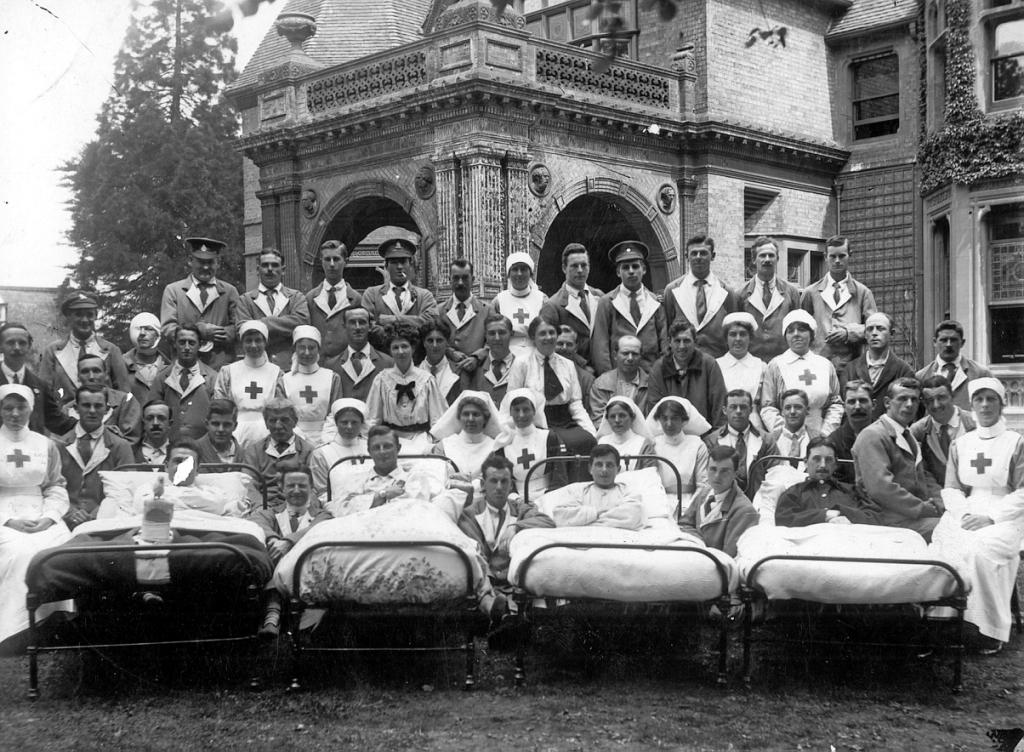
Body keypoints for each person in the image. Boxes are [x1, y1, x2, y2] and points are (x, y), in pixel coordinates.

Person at [325, 425, 508, 622]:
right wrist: (382, 496)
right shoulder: (354, 481)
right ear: (368, 452)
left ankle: (488, 602)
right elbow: (342, 510)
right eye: (376, 448)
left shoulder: (416, 477)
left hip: (409, 531)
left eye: (387, 446)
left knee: (464, 547)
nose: (382, 452)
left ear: (398, 449)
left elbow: (420, 507)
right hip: (365, 532)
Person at [931, 378, 1024, 653]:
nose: (985, 405)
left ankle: (987, 628)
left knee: (980, 551)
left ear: (1001, 403)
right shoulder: (962, 444)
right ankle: (944, 621)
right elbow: (951, 488)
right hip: (967, 510)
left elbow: (1022, 491)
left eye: (991, 399)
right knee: (943, 545)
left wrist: (992, 517)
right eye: (979, 399)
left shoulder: (1016, 442)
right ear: (971, 405)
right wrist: (964, 514)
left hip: (1006, 514)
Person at [0, 384, 72, 649]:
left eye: (21, 408)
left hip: (40, 511)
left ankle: (57, 620)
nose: (15, 414)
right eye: (8, 408)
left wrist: (50, 517)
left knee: (58, 547)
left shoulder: (46, 445)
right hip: (4, 513)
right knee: (18, 553)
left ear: (30, 409)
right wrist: (8, 521)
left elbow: (55, 486)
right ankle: (16, 630)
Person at [852, 377, 944, 540]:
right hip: (887, 523)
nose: (909, 404)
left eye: (914, 399)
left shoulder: (909, 437)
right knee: (954, 533)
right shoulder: (873, 436)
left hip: (913, 519)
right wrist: (923, 508)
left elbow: (925, 478)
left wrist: (943, 504)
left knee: (960, 525)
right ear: (887, 403)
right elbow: (881, 488)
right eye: (902, 398)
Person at [248, 461, 333, 637]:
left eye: (302, 485)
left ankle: (275, 612)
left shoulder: (321, 514)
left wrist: (288, 542)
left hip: (309, 574)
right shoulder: (271, 513)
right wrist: (272, 538)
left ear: (312, 488)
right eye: (291, 485)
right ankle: (273, 614)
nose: (296, 490)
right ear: (281, 488)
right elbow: (257, 521)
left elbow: (316, 528)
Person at [505, 316, 597, 469]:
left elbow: (575, 404)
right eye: (542, 333)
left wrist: (591, 431)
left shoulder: (567, 364)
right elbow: (512, 401)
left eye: (552, 332)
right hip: (534, 423)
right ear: (533, 337)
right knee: (553, 444)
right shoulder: (522, 363)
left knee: (587, 441)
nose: (548, 337)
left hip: (565, 422)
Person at [455, 454, 555, 587]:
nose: (499, 487)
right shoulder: (470, 513)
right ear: (483, 484)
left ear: (511, 485)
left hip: (516, 581)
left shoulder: (520, 508)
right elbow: (475, 553)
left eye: (504, 481)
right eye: (493, 481)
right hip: (484, 581)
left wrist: (515, 526)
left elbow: (548, 523)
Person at [56, 385, 134, 529]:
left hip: (106, 522)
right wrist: (70, 512)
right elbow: (52, 487)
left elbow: (125, 490)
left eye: (98, 406)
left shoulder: (120, 447)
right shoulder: (59, 445)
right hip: (63, 521)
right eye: (86, 405)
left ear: (107, 409)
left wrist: (95, 515)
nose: (92, 411)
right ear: (76, 408)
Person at [160, 236, 241, 370]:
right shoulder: (174, 291)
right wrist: (198, 331)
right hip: (183, 366)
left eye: (210, 262)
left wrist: (217, 334)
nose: (205, 267)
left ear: (218, 263)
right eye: (200, 261)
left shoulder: (229, 291)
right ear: (190, 261)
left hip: (220, 367)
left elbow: (238, 328)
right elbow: (168, 329)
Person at [364, 321, 447, 453]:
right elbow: (373, 418)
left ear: (413, 348)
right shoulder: (382, 379)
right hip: (390, 440)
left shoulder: (426, 379)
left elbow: (438, 418)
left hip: (420, 440)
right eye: (395, 348)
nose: (400, 352)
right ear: (390, 351)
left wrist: (437, 444)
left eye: (404, 346)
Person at [799, 235, 877, 371]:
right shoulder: (810, 293)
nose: (837, 261)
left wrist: (849, 333)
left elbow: (875, 328)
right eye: (832, 256)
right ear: (825, 257)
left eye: (842, 256)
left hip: (852, 366)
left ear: (850, 256)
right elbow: (799, 327)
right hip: (818, 366)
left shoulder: (863, 292)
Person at [760, 310, 843, 437]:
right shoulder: (776, 365)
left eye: (802, 330)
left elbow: (835, 404)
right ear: (785, 336)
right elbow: (768, 407)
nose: (796, 334)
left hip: (820, 434)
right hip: (787, 436)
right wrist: (787, 433)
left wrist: (825, 434)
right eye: (791, 331)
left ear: (811, 334)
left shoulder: (825, 365)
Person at [591, 241, 668, 373]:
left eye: (635, 266)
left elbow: (664, 344)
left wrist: (660, 377)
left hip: (650, 377)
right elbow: (600, 346)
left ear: (643, 269)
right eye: (625, 267)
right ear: (618, 272)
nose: (631, 271)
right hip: (619, 377)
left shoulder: (655, 303)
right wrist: (608, 379)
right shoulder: (607, 303)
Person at [39, 290, 130, 402]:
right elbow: (43, 394)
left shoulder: (111, 350)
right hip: (64, 417)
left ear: (96, 315)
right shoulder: (52, 351)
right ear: (68, 316)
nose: (84, 320)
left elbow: (124, 395)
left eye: (89, 314)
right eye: (78, 314)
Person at [662, 234, 738, 359]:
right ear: (687, 256)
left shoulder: (727, 293)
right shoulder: (672, 290)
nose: (698, 257)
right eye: (694, 253)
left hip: (718, 365)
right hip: (683, 365)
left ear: (713, 256)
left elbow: (733, 331)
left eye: (703, 253)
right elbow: (667, 332)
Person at [775, 438, 880, 527]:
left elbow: (874, 517)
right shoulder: (794, 493)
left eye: (829, 460)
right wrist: (824, 515)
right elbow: (783, 519)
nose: (823, 465)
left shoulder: (851, 491)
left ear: (836, 464)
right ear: (806, 462)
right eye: (816, 459)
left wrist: (843, 513)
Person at [212, 321, 286, 445]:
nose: (253, 345)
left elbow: (281, 407)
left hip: (268, 432)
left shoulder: (277, 373)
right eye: (248, 340)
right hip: (235, 431)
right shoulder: (228, 372)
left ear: (265, 342)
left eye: (258, 340)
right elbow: (220, 406)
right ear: (242, 343)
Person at [678, 446, 759, 557]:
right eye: (713, 469)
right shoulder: (705, 493)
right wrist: (698, 543)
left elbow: (729, 556)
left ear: (735, 473)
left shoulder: (745, 511)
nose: (717, 476)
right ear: (706, 469)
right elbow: (684, 524)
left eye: (724, 471)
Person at [237, 248, 311, 370]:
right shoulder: (245, 300)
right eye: (265, 265)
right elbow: (242, 329)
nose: (270, 269)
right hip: (256, 367)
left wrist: (262, 323)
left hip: (290, 368)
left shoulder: (296, 297)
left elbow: (302, 322)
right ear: (257, 270)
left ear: (283, 270)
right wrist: (285, 329)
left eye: (275, 265)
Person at [646, 320, 727, 427]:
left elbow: (719, 404)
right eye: (677, 341)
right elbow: (655, 410)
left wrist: (716, 435)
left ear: (695, 341)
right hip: (669, 433)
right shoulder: (658, 369)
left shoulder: (709, 365)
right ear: (670, 342)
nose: (682, 346)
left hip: (705, 435)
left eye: (687, 341)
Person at [0, 322, 74, 436]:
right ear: (1, 346)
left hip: (31, 451)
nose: (17, 347)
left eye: (22, 343)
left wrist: (87, 426)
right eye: (10, 342)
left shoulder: (40, 386)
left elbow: (56, 420)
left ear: (29, 346)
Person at [493, 388, 567, 502]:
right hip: (516, 500)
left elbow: (559, 476)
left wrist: (548, 499)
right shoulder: (503, 443)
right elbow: (502, 480)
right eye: (516, 410)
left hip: (549, 496)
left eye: (526, 409)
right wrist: (516, 499)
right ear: (510, 412)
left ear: (534, 411)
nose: (521, 415)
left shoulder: (549, 437)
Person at [642, 397, 711, 517]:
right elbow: (650, 483)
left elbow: (703, 484)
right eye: (664, 418)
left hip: (691, 504)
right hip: (660, 504)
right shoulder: (653, 445)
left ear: (684, 421)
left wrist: (690, 510)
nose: (669, 424)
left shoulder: (697, 445)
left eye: (674, 418)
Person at [147, 324, 218, 442]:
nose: (186, 347)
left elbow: (217, 417)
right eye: (182, 342)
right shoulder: (161, 378)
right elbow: (151, 413)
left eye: (191, 343)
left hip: (202, 448)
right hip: (170, 447)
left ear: (199, 345)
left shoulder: (212, 378)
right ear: (174, 344)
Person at [706, 389, 780, 500]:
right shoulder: (712, 441)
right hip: (722, 501)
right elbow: (707, 479)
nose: (738, 411)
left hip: (759, 501)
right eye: (733, 407)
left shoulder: (767, 440)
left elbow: (776, 475)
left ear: (751, 410)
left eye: (743, 407)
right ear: (725, 410)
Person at [736, 237, 802, 361]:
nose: (767, 259)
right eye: (762, 255)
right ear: (754, 260)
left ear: (777, 259)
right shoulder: (741, 294)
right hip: (751, 362)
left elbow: (798, 328)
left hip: (784, 362)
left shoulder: (791, 292)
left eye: (771, 255)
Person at [550, 444, 645, 530]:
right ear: (590, 469)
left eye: (609, 465)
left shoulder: (627, 491)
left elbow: (635, 515)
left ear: (618, 469)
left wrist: (587, 520)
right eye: (599, 465)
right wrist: (596, 512)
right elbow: (560, 516)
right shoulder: (578, 491)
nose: (604, 470)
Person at [840, 312, 914, 421]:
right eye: (870, 329)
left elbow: (909, 408)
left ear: (892, 334)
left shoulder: (904, 371)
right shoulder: (850, 370)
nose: (874, 333)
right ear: (865, 335)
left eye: (880, 329)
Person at [239, 399, 315, 504]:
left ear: (295, 422)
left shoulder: (308, 451)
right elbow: (248, 486)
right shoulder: (254, 451)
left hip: (297, 506)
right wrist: (262, 507)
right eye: (272, 420)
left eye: (284, 420)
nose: (278, 426)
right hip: (263, 507)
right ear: (266, 423)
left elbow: (313, 488)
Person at [539, 243, 603, 365]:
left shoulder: (600, 297)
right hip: (571, 373)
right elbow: (546, 346)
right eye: (574, 266)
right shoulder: (553, 306)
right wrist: (582, 367)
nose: (580, 270)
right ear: (564, 268)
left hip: (602, 373)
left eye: (584, 265)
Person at [360, 237, 439, 332]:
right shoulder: (372, 294)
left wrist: (393, 320)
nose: (399, 267)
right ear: (386, 266)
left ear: (410, 264)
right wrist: (414, 321)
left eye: (403, 262)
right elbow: (366, 324)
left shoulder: (424, 296)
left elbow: (431, 322)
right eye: (394, 262)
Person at [305, 240, 362, 369]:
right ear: (321, 262)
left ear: (345, 262)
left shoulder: (355, 299)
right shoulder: (310, 298)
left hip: (345, 367)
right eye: (327, 259)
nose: (331, 264)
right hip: (316, 366)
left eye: (336, 259)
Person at [911, 375, 976, 488]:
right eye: (930, 400)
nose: (936, 405)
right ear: (924, 404)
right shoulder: (918, 432)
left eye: (941, 398)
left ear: (952, 396)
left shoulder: (975, 424)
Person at [914, 320, 994, 411]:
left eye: (953, 340)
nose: (948, 344)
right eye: (943, 340)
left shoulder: (980, 373)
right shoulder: (922, 376)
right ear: (935, 342)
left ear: (962, 342)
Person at [282, 326, 341, 446]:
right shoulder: (284, 380)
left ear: (318, 349)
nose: (307, 352)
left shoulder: (332, 378)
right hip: (293, 439)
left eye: (311, 348)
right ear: (295, 349)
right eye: (302, 347)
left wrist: (326, 439)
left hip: (327, 438)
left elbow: (335, 412)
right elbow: (283, 413)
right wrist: (300, 438)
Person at [68, 353, 142, 444]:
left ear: (106, 375)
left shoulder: (125, 401)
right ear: (78, 377)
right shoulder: (69, 408)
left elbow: (132, 441)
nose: (91, 377)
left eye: (96, 371)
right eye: (85, 372)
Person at [430, 391, 502, 482]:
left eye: (476, 414)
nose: (470, 419)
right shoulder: (444, 446)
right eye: (466, 414)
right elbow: (434, 477)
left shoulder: (495, 448)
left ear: (485, 418)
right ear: (459, 417)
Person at [489, 252, 548, 359]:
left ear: (530, 274)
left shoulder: (542, 299)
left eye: (524, 269)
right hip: (506, 356)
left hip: (536, 355)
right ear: (508, 273)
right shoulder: (499, 301)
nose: (519, 274)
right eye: (515, 269)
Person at [308, 398, 368, 503]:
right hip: (337, 508)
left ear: (361, 423)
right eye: (344, 422)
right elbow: (322, 493)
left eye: (354, 422)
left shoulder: (371, 448)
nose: (349, 427)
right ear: (336, 423)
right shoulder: (322, 453)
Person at [715, 312, 767, 431]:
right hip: (723, 427)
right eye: (733, 334)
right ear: (726, 338)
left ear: (750, 338)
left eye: (743, 334)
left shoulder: (761, 366)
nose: (738, 339)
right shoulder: (715, 365)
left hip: (755, 427)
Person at [332, 305, 393, 403]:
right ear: (344, 326)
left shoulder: (388, 363)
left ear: (370, 326)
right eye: (352, 322)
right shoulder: (331, 366)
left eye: (362, 322)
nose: (357, 327)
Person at [438, 258, 489, 367]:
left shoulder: (487, 310)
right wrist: (450, 352)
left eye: (465, 278)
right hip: (447, 373)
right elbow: (433, 339)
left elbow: (493, 340)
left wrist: (477, 357)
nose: (460, 283)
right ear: (449, 280)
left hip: (477, 372)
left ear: (473, 279)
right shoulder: (439, 311)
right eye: (456, 278)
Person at [589, 335, 649, 423]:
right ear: (615, 355)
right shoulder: (601, 384)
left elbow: (652, 419)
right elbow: (599, 419)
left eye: (635, 354)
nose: (630, 358)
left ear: (641, 357)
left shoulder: (650, 384)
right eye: (625, 353)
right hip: (609, 434)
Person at [464, 313, 516, 409]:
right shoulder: (475, 367)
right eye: (492, 333)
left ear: (511, 334)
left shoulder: (521, 366)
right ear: (485, 336)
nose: (497, 338)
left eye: (502, 332)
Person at [827, 379, 874, 484]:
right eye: (852, 402)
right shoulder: (833, 442)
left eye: (863, 401)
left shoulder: (888, 435)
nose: (857, 407)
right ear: (844, 406)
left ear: (874, 404)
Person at [595, 396, 654, 471]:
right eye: (612, 416)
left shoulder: (644, 444)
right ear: (607, 419)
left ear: (632, 418)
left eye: (622, 416)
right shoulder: (601, 442)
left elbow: (651, 476)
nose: (617, 420)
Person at [122, 313, 170, 406]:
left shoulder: (169, 368)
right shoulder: (121, 365)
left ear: (157, 334)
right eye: (139, 329)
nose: (142, 333)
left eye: (148, 329)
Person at [418, 318, 463, 406]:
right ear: (424, 343)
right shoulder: (413, 372)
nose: (435, 345)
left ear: (447, 343)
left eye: (439, 340)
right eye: (430, 341)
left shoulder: (459, 372)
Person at [771, 389, 820, 467]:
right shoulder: (770, 440)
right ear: (782, 412)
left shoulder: (819, 438)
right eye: (787, 408)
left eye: (798, 407)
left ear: (807, 410)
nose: (792, 411)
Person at [555, 327, 594, 416]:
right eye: (560, 343)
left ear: (576, 347)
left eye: (569, 344)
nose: (564, 348)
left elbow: (588, 411)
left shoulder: (587, 379)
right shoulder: (539, 372)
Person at [194, 399, 243, 465]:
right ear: (207, 424)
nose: (221, 429)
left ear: (235, 426)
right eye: (216, 424)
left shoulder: (245, 455)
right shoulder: (193, 452)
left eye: (226, 425)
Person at [134, 400, 172, 464]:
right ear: (143, 424)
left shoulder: (180, 453)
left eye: (161, 418)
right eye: (149, 418)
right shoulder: (130, 452)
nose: (155, 423)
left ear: (170, 424)